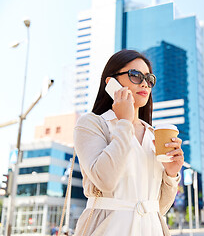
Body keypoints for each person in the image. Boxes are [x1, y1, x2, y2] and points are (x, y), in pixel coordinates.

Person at [73, 49, 184, 236]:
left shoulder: (153, 134)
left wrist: (171, 174)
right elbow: (105, 180)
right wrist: (124, 122)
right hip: (109, 229)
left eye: (149, 79)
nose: (144, 84)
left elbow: (159, 208)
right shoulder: (92, 123)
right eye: (135, 75)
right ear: (111, 83)